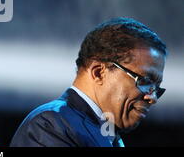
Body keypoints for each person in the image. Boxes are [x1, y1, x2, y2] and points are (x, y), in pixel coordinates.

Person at [10, 17, 167, 147]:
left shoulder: (108, 135)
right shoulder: (50, 125)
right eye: (145, 81)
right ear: (99, 72)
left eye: (156, 88)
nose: (152, 98)